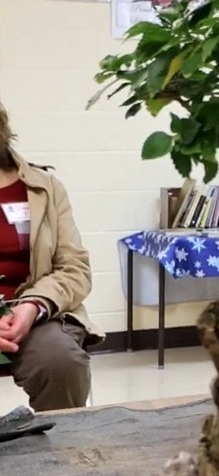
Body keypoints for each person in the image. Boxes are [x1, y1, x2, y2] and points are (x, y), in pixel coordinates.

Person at [0, 102, 100, 411]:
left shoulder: (45, 188)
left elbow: (74, 268)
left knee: (61, 362)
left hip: (29, 314)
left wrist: (34, 306)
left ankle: (60, 455)